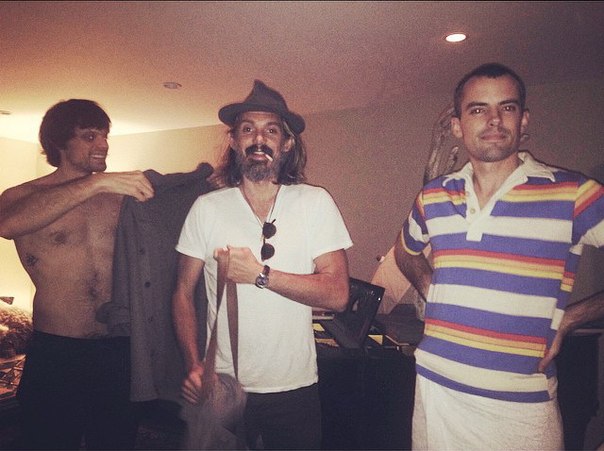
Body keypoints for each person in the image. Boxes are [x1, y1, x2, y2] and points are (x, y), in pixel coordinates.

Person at [394, 63, 604, 450]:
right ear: (458, 126)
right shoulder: (433, 196)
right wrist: (430, 288)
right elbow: (404, 252)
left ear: (523, 121)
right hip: (436, 395)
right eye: (478, 109)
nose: (493, 119)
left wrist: (572, 318)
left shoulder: (573, 193)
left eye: (506, 107)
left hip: (520, 409)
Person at [172, 80, 352, 450]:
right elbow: (182, 294)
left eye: (270, 130)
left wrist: (260, 275)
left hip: (294, 389)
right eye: (247, 129)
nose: (258, 139)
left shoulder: (314, 203)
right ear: (234, 141)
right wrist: (193, 364)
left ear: (286, 144)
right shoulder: (207, 209)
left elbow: (337, 294)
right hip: (223, 386)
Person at [0, 99, 155, 449]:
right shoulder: (21, 196)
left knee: (116, 441)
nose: (103, 145)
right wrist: (95, 184)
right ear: (59, 143)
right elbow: (6, 225)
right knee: (48, 441)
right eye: (89, 136)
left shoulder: (121, 200)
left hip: (119, 347)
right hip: (57, 350)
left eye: (104, 136)